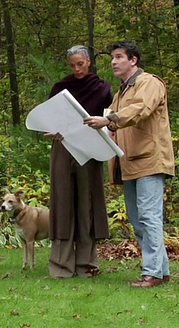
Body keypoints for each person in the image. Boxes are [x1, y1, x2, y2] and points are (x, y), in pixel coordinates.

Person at [83, 41, 175, 288]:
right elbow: (103, 121)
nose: (114, 61)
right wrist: (65, 130)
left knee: (148, 218)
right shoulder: (120, 92)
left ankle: (152, 272)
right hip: (129, 163)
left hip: (150, 161)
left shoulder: (150, 83)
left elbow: (140, 110)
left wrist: (109, 119)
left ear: (133, 60)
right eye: (112, 57)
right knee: (138, 220)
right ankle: (161, 271)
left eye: (119, 57)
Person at [46, 45, 113, 278]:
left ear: (88, 62)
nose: (76, 69)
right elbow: (50, 119)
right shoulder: (60, 88)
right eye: (72, 65)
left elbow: (109, 119)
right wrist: (52, 131)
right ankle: (61, 265)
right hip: (63, 148)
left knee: (87, 204)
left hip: (90, 150)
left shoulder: (102, 88)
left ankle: (87, 265)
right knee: (63, 202)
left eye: (80, 64)